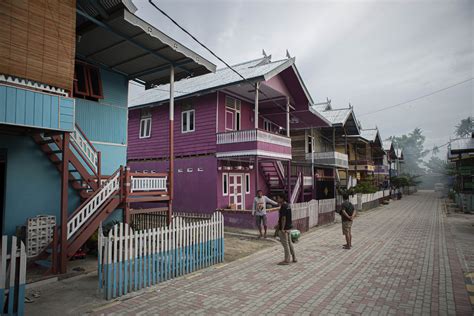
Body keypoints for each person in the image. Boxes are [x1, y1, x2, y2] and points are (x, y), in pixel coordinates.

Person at [275, 194, 296, 265]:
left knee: (286, 245)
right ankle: (294, 257)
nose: (277, 199)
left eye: (278, 198)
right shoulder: (288, 205)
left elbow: (283, 218)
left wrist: (282, 228)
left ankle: (287, 260)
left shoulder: (283, 206)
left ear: (282, 198)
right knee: (290, 243)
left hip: (284, 228)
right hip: (289, 227)